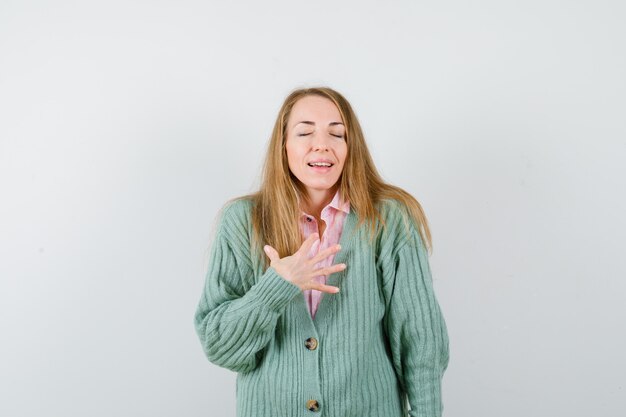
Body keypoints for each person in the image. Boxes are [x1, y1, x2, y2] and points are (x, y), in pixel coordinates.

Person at [194, 86, 450, 417]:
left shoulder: (389, 219)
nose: (322, 144)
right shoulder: (242, 221)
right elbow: (220, 347)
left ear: (349, 147)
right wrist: (276, 286)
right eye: (304, 132)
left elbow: (421, 340)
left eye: (337, 134)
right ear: (283, 146)